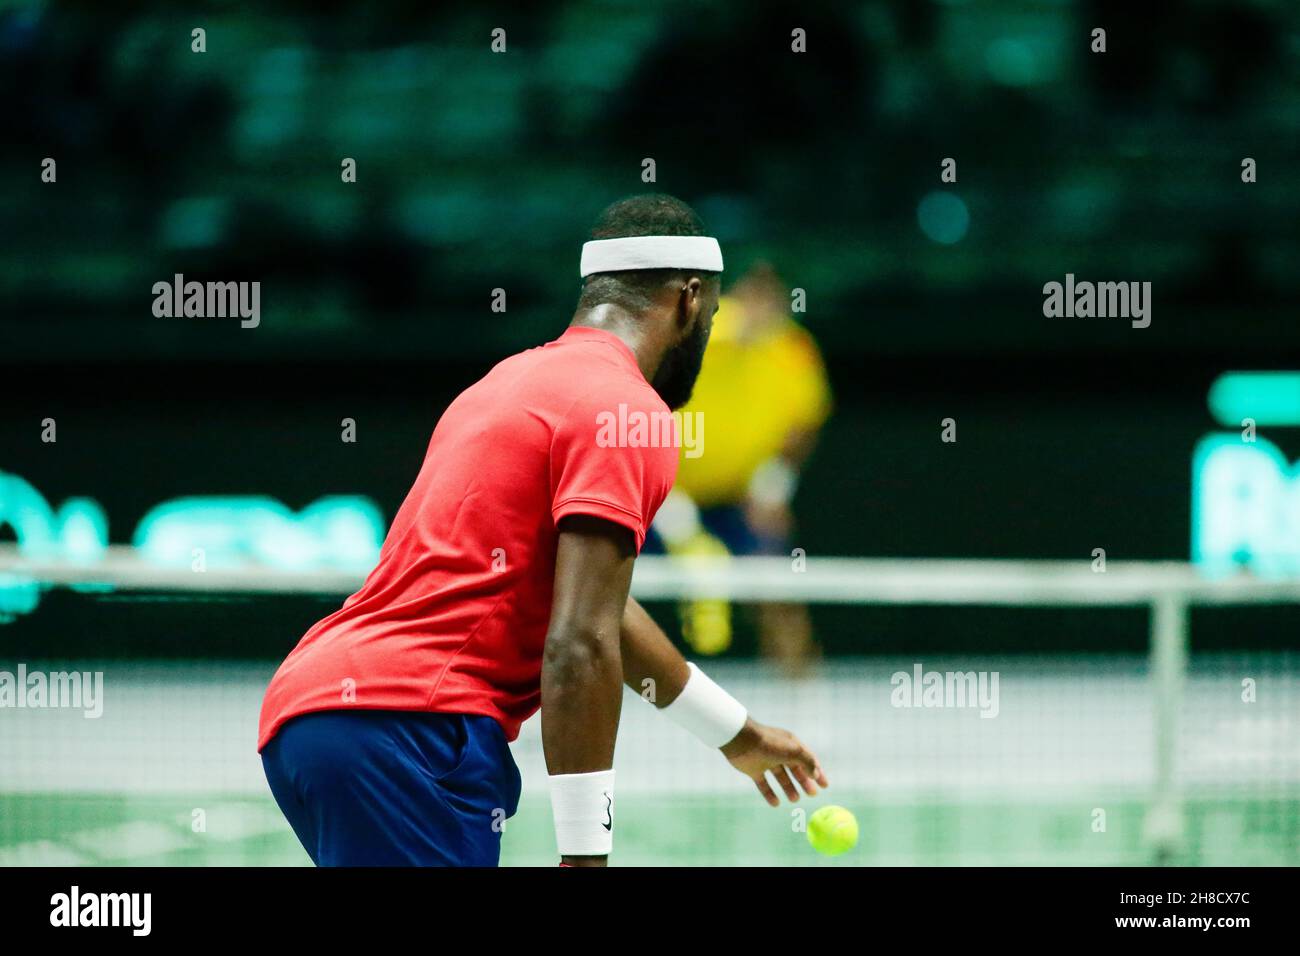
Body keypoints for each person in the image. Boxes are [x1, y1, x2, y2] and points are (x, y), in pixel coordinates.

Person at [257, 194, 828, 867]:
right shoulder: (628, 411)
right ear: (690, 300)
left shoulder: (507, 381)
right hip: (411, 729)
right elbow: (580, 641)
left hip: (319, 715)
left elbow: (598, 614)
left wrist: (735, 733)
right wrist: (586, 854)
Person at [651, 261, 832, 673]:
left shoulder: (792, 349)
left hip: (738, 500)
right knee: (605, 591)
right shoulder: (697, 333)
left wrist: (773, 488)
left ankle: (806, 704)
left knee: (777, 592)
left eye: (773, 307)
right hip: (664, 494)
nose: (761, 314)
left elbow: (806, 421)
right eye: (753, 302)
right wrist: (661, 492)